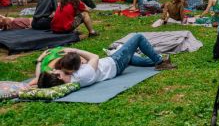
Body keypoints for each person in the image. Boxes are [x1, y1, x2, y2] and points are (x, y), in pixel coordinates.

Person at [36, 34, 175, 89]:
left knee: (130, 56)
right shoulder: (81, 76)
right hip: (115, 63)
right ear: (59, 76)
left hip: (115, 64)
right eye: (54, 72)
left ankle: (156, 61)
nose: (54, 69)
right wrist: (76, 51)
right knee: (138, 38)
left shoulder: (68, 77)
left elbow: (38, 79)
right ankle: (159, 62)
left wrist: (39, 60)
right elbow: (95, 57)